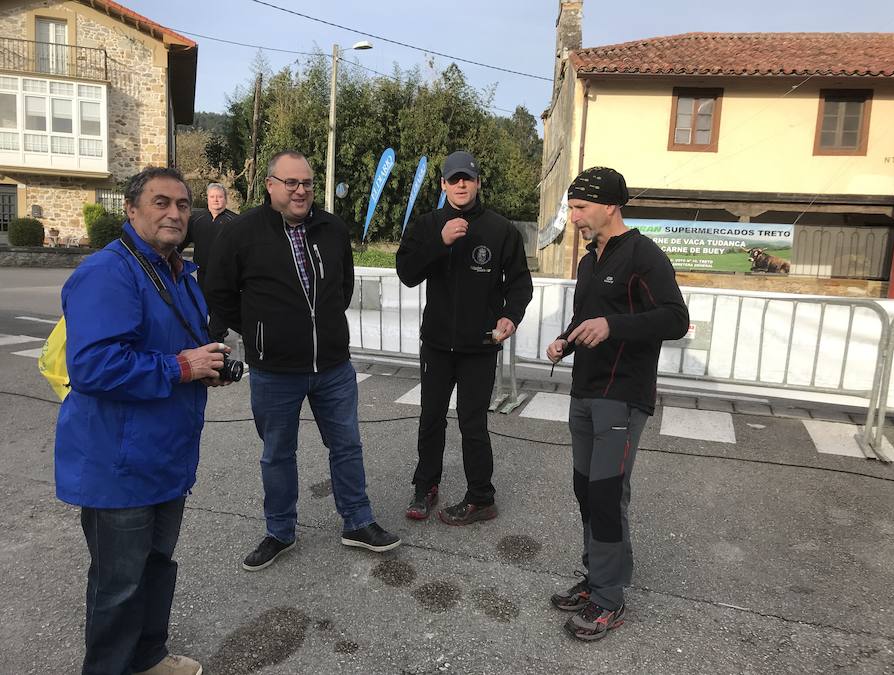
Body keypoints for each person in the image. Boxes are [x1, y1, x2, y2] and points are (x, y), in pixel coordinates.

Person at [55, 167, 230, 675]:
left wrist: (205, 370)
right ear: (131, 210)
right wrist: (183, 366)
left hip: (165, 456)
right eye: (161, 202)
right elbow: (92, 366)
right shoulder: (108, 272)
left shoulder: (179, 272)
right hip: (119, 462)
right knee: (118, 583)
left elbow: (182, 350)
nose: (174, 213)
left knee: (156, 566)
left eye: (182, 204)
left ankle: (149, 657)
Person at [205, 149, 400, 571]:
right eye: (291, 182)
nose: (301, 190)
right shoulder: (241, 233)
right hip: (274, 370)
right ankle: (279, 530)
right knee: (277, 452)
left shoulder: (332, 228)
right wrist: (260, 328)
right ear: (270, 185)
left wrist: (323, 324)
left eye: (307, 183)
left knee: (346, 446)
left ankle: (357, 521)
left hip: (332, 366)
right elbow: (218, 291)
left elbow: (342, 286)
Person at [545, 167, 689, 641]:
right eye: (573, 207)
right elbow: (586, 316)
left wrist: (613, 327)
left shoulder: (645, 255)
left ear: (610, 205)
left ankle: (610, 599)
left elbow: (674, 317)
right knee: (587, 491)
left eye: (580, 207)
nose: (575, 216)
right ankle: (598, 578)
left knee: (607, 494)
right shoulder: (589, 259)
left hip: (622, 396)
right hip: (585, 391)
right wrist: (566, 340)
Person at [395, 151, 533, 526]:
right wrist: (439, 242)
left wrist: (510, 315)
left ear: (477, 183)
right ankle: (425, 487)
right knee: (431, 418)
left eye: (467, 179)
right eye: (453, 179)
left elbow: (520, 283)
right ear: (442, 184)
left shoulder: (500, 229)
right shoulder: (427, 225)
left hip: (480, 345)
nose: (460, 185)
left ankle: (481, 498)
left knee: (473, 424)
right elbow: (406, 272)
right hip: (437, 343)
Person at [180, 182, 237, 341]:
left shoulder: (235, 221)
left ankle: (216, 339)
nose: (216, 200)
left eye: (219, 197)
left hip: (225, 276)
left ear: (225, 199)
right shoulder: (197, 219)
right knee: (205, 306)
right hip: (203, 272)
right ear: (208, 199)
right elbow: (182, 241)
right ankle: (218, 331)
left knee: (220, 309)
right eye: (212, 197)